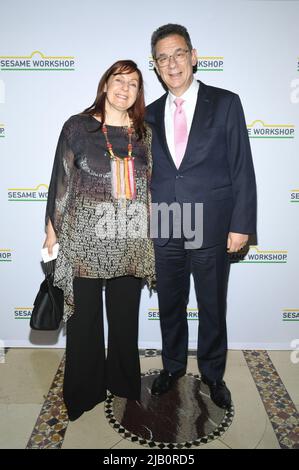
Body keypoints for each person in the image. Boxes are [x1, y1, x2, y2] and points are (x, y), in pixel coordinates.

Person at [146, 24, 257, 409]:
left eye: (178, 53)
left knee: (211, 305)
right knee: (170, 305)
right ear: (155, 66)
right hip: (164, 224)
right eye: (163, 57)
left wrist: (241, 224)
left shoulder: (226, 102)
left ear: (194, 56)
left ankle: (213, 374)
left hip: (211, 223)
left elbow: (242, 167)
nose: (171, 63)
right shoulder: (147, 114)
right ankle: (173, 366)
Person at [43, 60, 155, 421]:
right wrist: (51, 231)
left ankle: (123, 382)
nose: (125, 89)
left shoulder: (144, 134)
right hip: (83, 239)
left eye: (134, 84)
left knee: (124, 317)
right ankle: (84, 391)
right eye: (119, 80)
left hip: (129, 237)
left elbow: (148, 188)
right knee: (84, 318)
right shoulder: (77, 126)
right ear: (105, 84)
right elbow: (60, 180)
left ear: (139, 92)